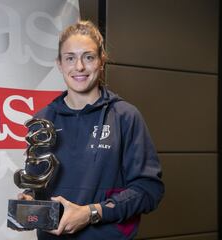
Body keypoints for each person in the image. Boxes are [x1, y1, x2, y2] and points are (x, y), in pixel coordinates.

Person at [18, 20, 164, 240]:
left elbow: (149, 190)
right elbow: (37, 184)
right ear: (59, 64)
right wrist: (29, 200)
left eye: (88, 57)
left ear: (101, 61)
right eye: (70, 58)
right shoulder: (42, 120)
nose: (79, 67)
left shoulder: (125, 116)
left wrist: (91, 213)